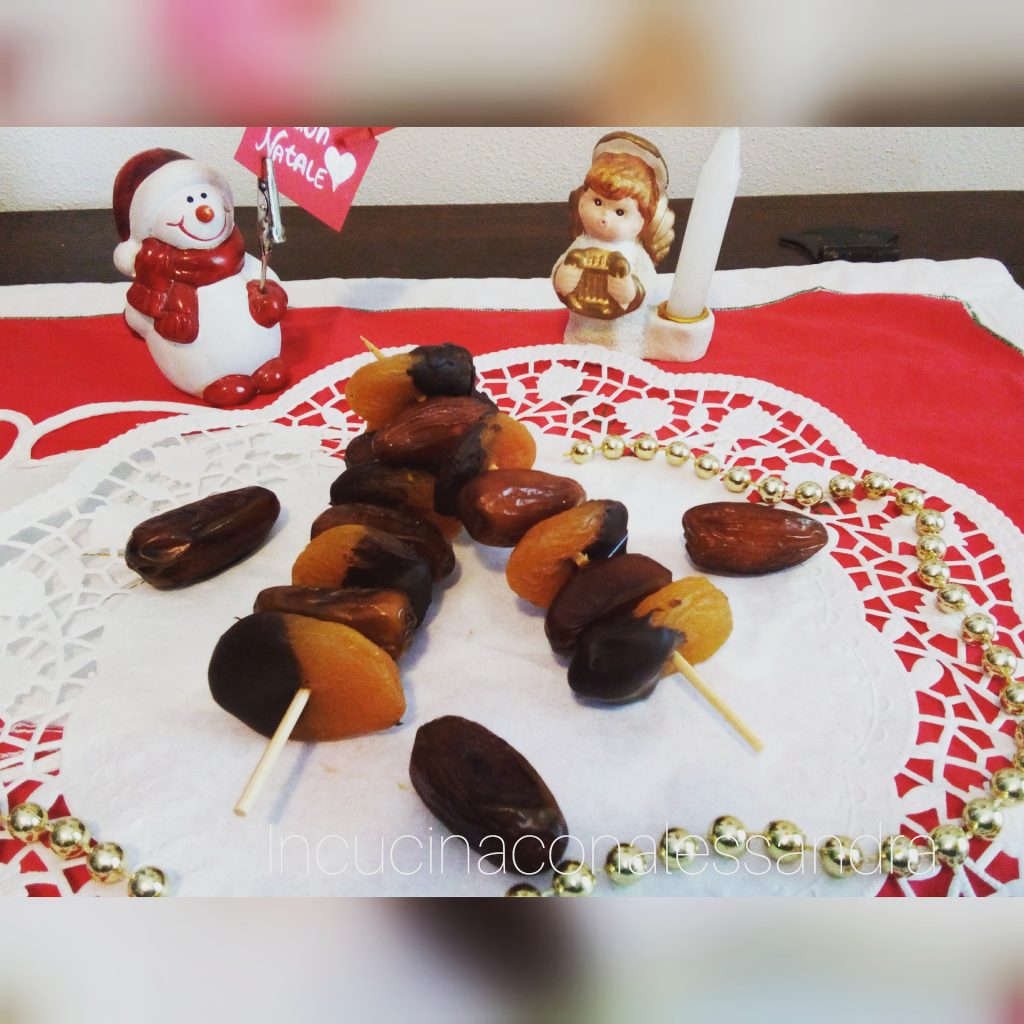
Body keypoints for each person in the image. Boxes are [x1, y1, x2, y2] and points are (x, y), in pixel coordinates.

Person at [553, 132, 674, 355]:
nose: (604, 218)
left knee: (621, 344)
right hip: (581, 328)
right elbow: (560, 270)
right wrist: (562, 278)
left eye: (620, 212)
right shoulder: (581, 244)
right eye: (597, 202)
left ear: (642, 221)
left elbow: (647, 284)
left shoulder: (635, 254)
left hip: (622, 334)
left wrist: (630, 291)